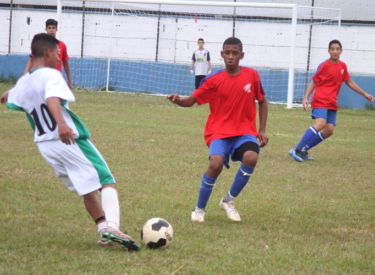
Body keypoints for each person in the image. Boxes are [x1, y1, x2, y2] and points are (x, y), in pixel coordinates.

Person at [1, 33, 140, 251]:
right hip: (66, 139)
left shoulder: (24, 80)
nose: (59, 57)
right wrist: (61, 124)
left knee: (87, 187)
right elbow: (52, 98)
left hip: (45, 145)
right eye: (58, 53)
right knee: (106, 179)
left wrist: (8, 94)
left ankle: (103, 228)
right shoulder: (51, 75)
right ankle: (113, 226)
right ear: (48, 52)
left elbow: (8, 97)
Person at [167, 37, 269, 222]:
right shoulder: (213, 80)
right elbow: (191, 100)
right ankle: (199, 209)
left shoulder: (252, 75)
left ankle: (228, 200)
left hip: (244, 131)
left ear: (241, 55)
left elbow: (262, 100)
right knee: (215, 164)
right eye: (227, 53)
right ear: (222, 55)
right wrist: (179, 100)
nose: (231, 57)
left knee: (251, 157)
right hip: (219, 131)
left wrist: (261, 130)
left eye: (235, 53)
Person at [289, 39, 374, 162]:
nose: (335, 51)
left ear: (341, 51)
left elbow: (349, 81)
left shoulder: (343, 66)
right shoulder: (324, 65)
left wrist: (364, 94)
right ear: (329, 51)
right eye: (332, 49)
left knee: (329, 130)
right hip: (321, 100)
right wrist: (306, 97)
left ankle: (303, 150)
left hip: (332, 102)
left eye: (337, 49)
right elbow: (314, 81)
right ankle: (296, 149)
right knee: (320, 124)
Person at [23, 19, 72, 89]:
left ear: (56, 29)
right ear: (46, 29)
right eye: (49, 28)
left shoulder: (62, 45)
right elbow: (32, 60)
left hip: (55, 78)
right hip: (42, 77)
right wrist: (25, 74)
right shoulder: (41, 44)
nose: (51, 30)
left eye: (53, 28)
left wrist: (69, 80)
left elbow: (65, 62)